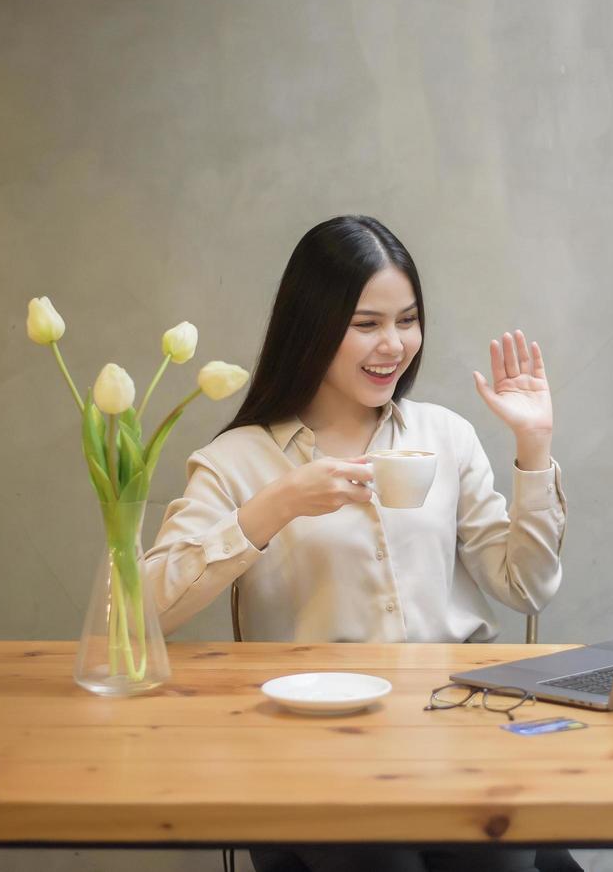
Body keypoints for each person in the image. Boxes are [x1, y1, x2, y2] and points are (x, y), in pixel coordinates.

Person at [145, 215, 579, 872]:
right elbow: (145, 608)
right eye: (367, 324)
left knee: (507, 857)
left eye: (407, 320)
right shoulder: (236, 461)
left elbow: (527, 586)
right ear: (313, 326)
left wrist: (534, 446)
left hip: (458, 733)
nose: (394, 345)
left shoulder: (446, 435)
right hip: (317, 747)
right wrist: (273, 509)